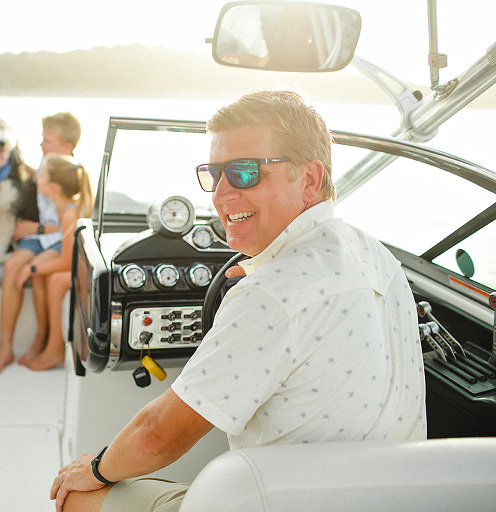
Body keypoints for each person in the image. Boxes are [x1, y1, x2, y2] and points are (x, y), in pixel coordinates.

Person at [50, 90, 427, 512]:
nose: (221, 194)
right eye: (215, 174)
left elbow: (159, 436)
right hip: (388, 498)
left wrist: (97, 468)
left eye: (245, 173)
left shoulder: (270, 294)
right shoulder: (376, 255)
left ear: (309, 178)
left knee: (78, 496)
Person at [0, 112, 82, 377]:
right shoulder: (46, 163)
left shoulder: (69, 174)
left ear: (66, 148)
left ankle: (43, 338)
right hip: (42, 237)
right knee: (12, 266)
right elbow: (35, 176)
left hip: (56, 238)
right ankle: (5, 348)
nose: (41, 145)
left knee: (39, 276)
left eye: (47, 141)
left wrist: (35, 228)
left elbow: (71, 223)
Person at [13, 154, 93, 371]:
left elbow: (67, 263)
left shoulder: (70, 213)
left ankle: (56, 348)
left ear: (53, 188)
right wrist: (34, 270)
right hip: (78, 265)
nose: (36, 178)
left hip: (89, 271)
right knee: (43, 274)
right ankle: (45, 338)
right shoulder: (64, 208)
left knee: (56, 279)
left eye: (41, 175)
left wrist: (29, 268)